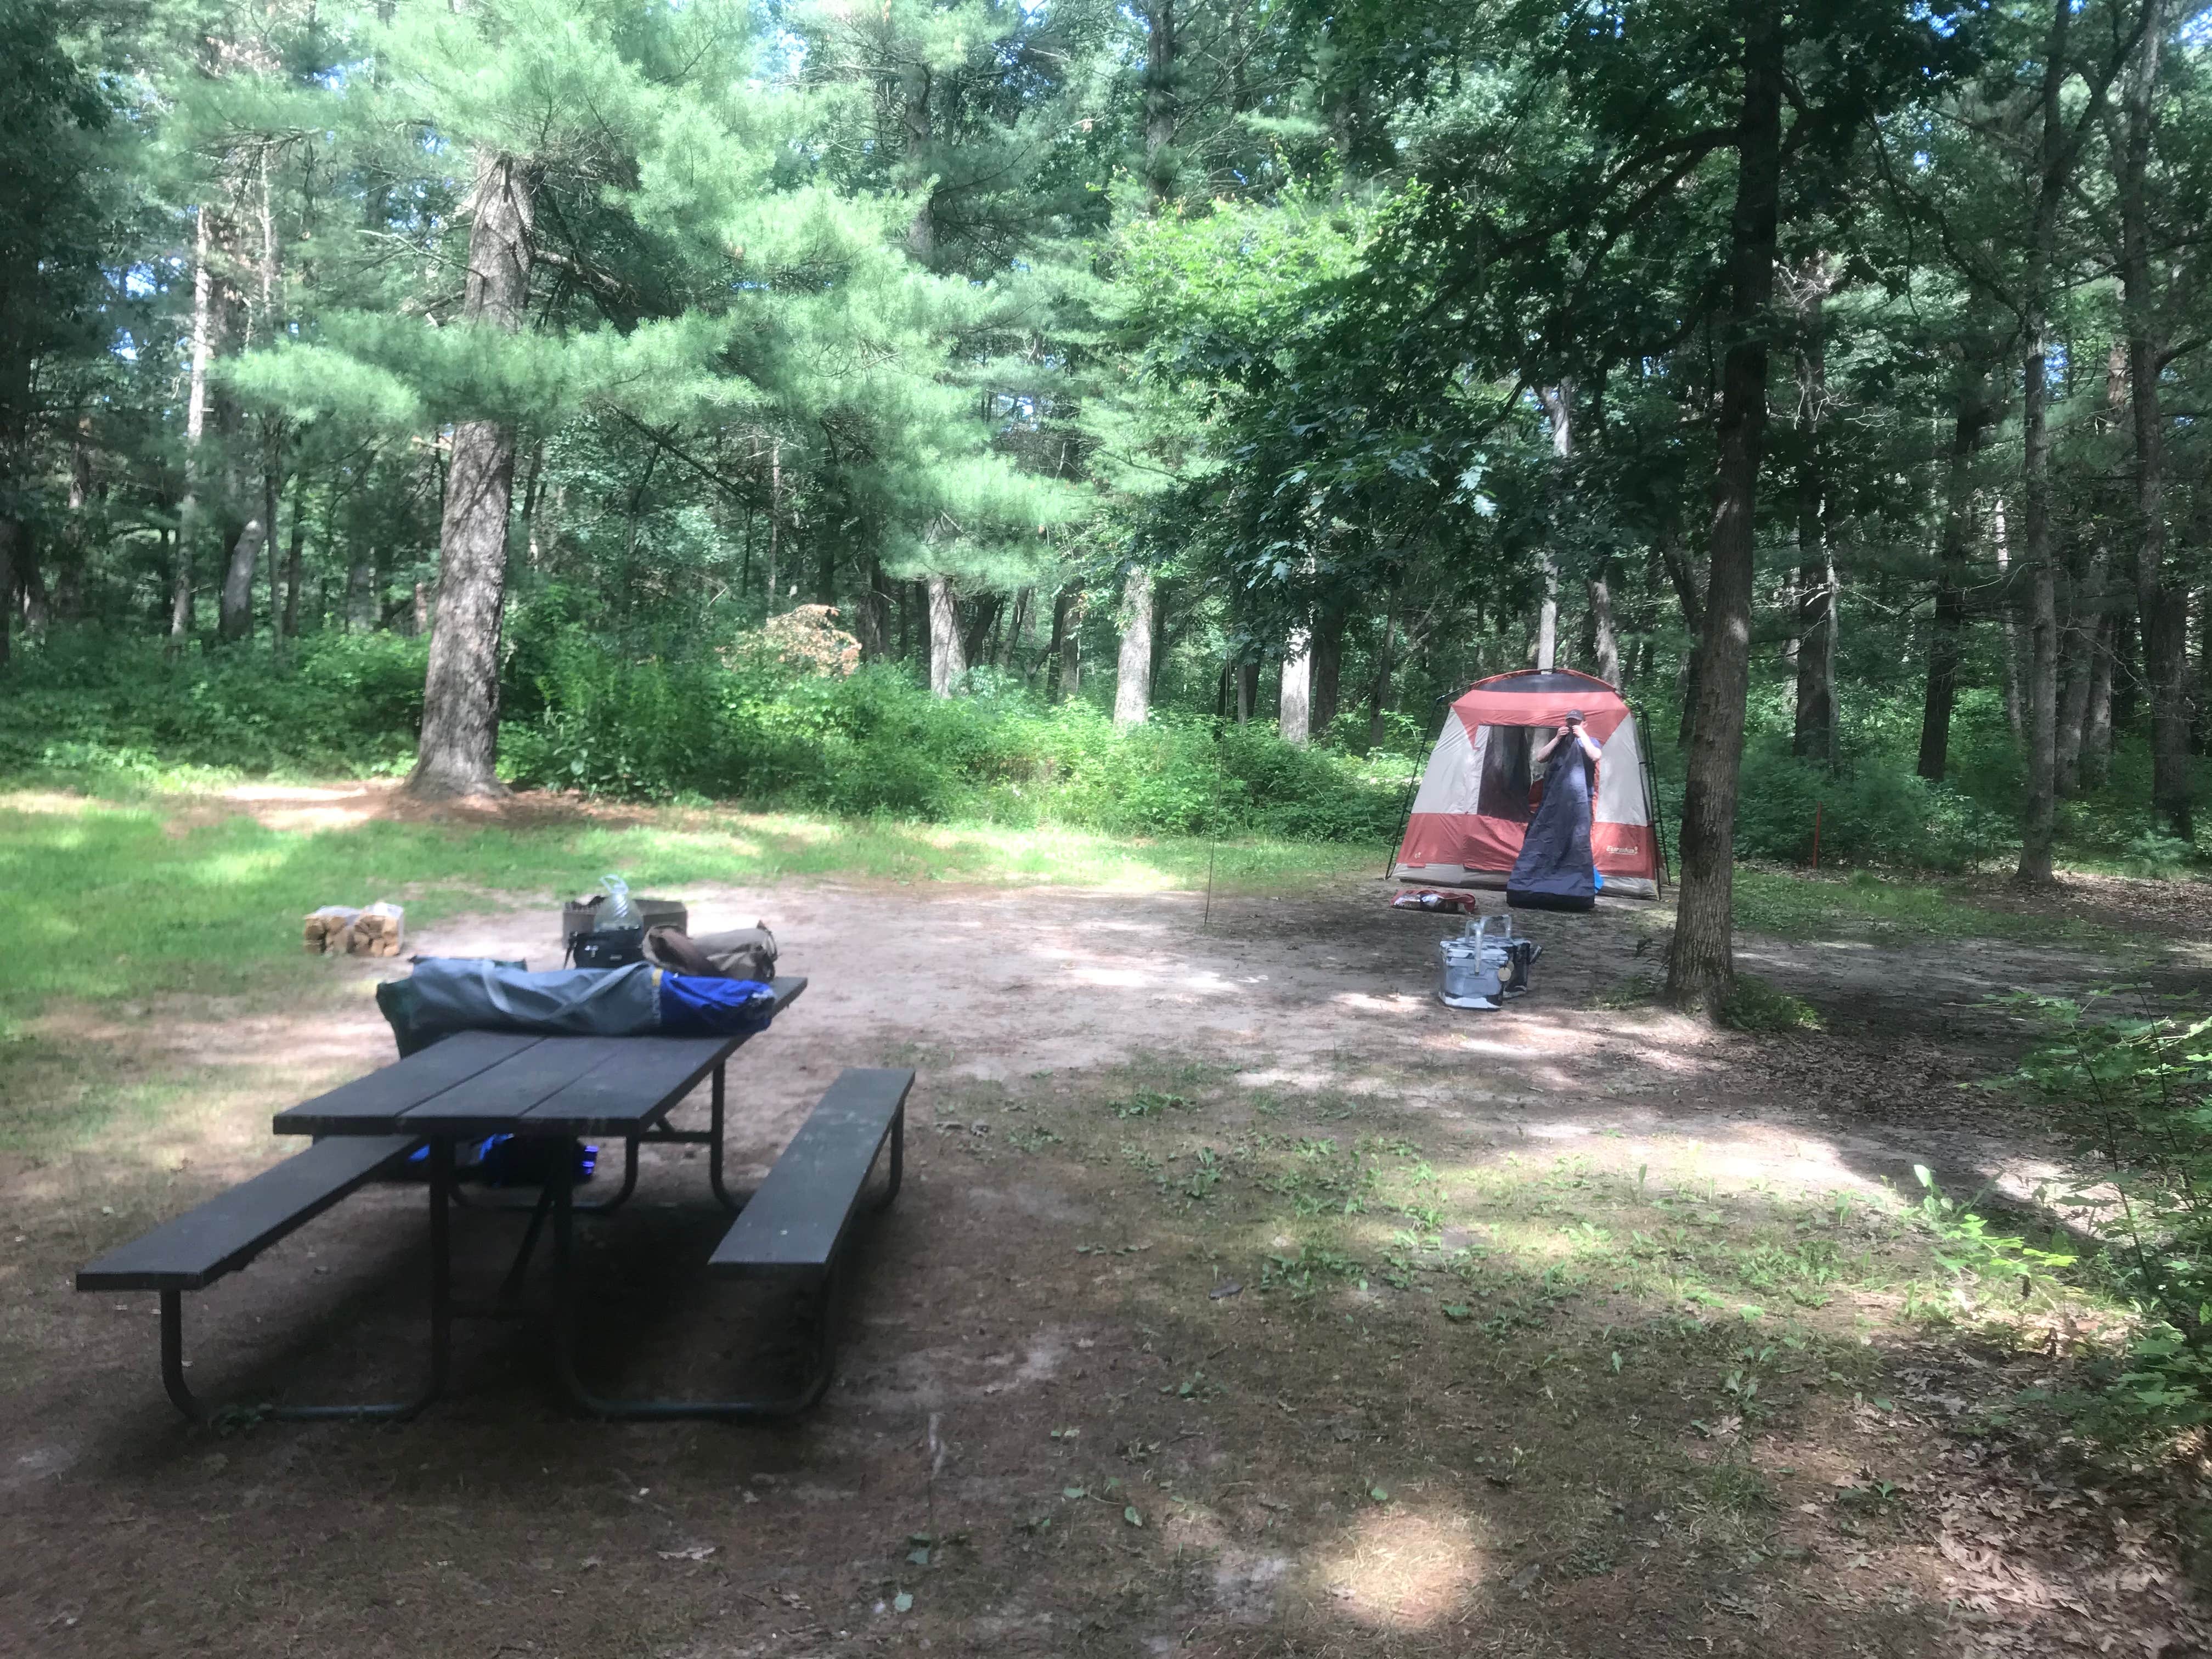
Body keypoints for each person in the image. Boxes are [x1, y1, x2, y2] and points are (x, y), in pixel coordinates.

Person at [1506, 710, 1601, 911]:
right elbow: (1541, 758)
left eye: (1576, 722)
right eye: (1569, 722)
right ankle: (1534, 886)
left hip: (1578, 805)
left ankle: (1574, 890)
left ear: (1585, 723)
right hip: (1551, 804)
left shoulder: (1590, 741)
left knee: (1575, 843)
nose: (1572, 725)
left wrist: (1581, 736)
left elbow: (1596, 756)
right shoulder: (1558, 743)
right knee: (1543, 840)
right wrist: (1558, 737)